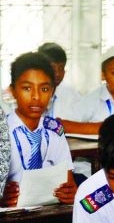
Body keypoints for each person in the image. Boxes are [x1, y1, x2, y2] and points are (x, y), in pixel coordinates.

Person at [2, 51, 77, 207]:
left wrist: (70, 193)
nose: (36, 96)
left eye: (44, 89)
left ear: (52, 92)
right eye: (27, 88)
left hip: (48, 214)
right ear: (13, 91)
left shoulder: (55, 131)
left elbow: (68, 183)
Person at [37, 41, 82, 120]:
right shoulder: (27, 94)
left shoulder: (72, 96)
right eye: (53, 68)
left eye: (61, 68)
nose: (57, 74)